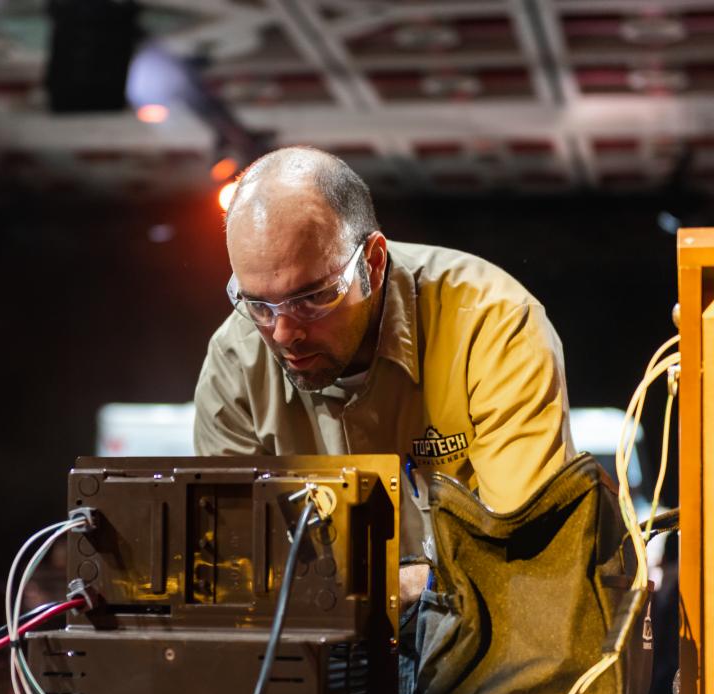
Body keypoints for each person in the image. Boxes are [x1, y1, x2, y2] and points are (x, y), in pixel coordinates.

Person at [193, 146, 575, 609]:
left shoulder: (492, 322)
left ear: (372, 262)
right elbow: (236, 573)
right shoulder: (235, 362)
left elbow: (527, 548)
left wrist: (379, 591)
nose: (284, 332)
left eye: (312, 298)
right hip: (319, 656)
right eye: (258, 305)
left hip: (485, 646)